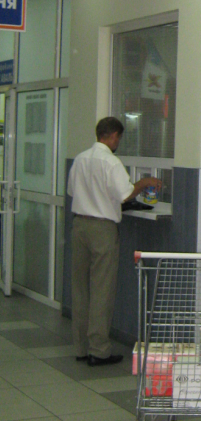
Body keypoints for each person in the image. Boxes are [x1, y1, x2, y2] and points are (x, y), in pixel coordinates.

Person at [68, 117, 161, 366]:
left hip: (79, 225)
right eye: (119, 137)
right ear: (114, 136)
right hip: (102, 229)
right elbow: (125, 194)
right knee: (102, 289)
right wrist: (144, 183)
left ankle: (80, 347)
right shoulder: (111, 161)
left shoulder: (80, 159)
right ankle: (98, 350)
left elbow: (72, 192)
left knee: (80, 288)